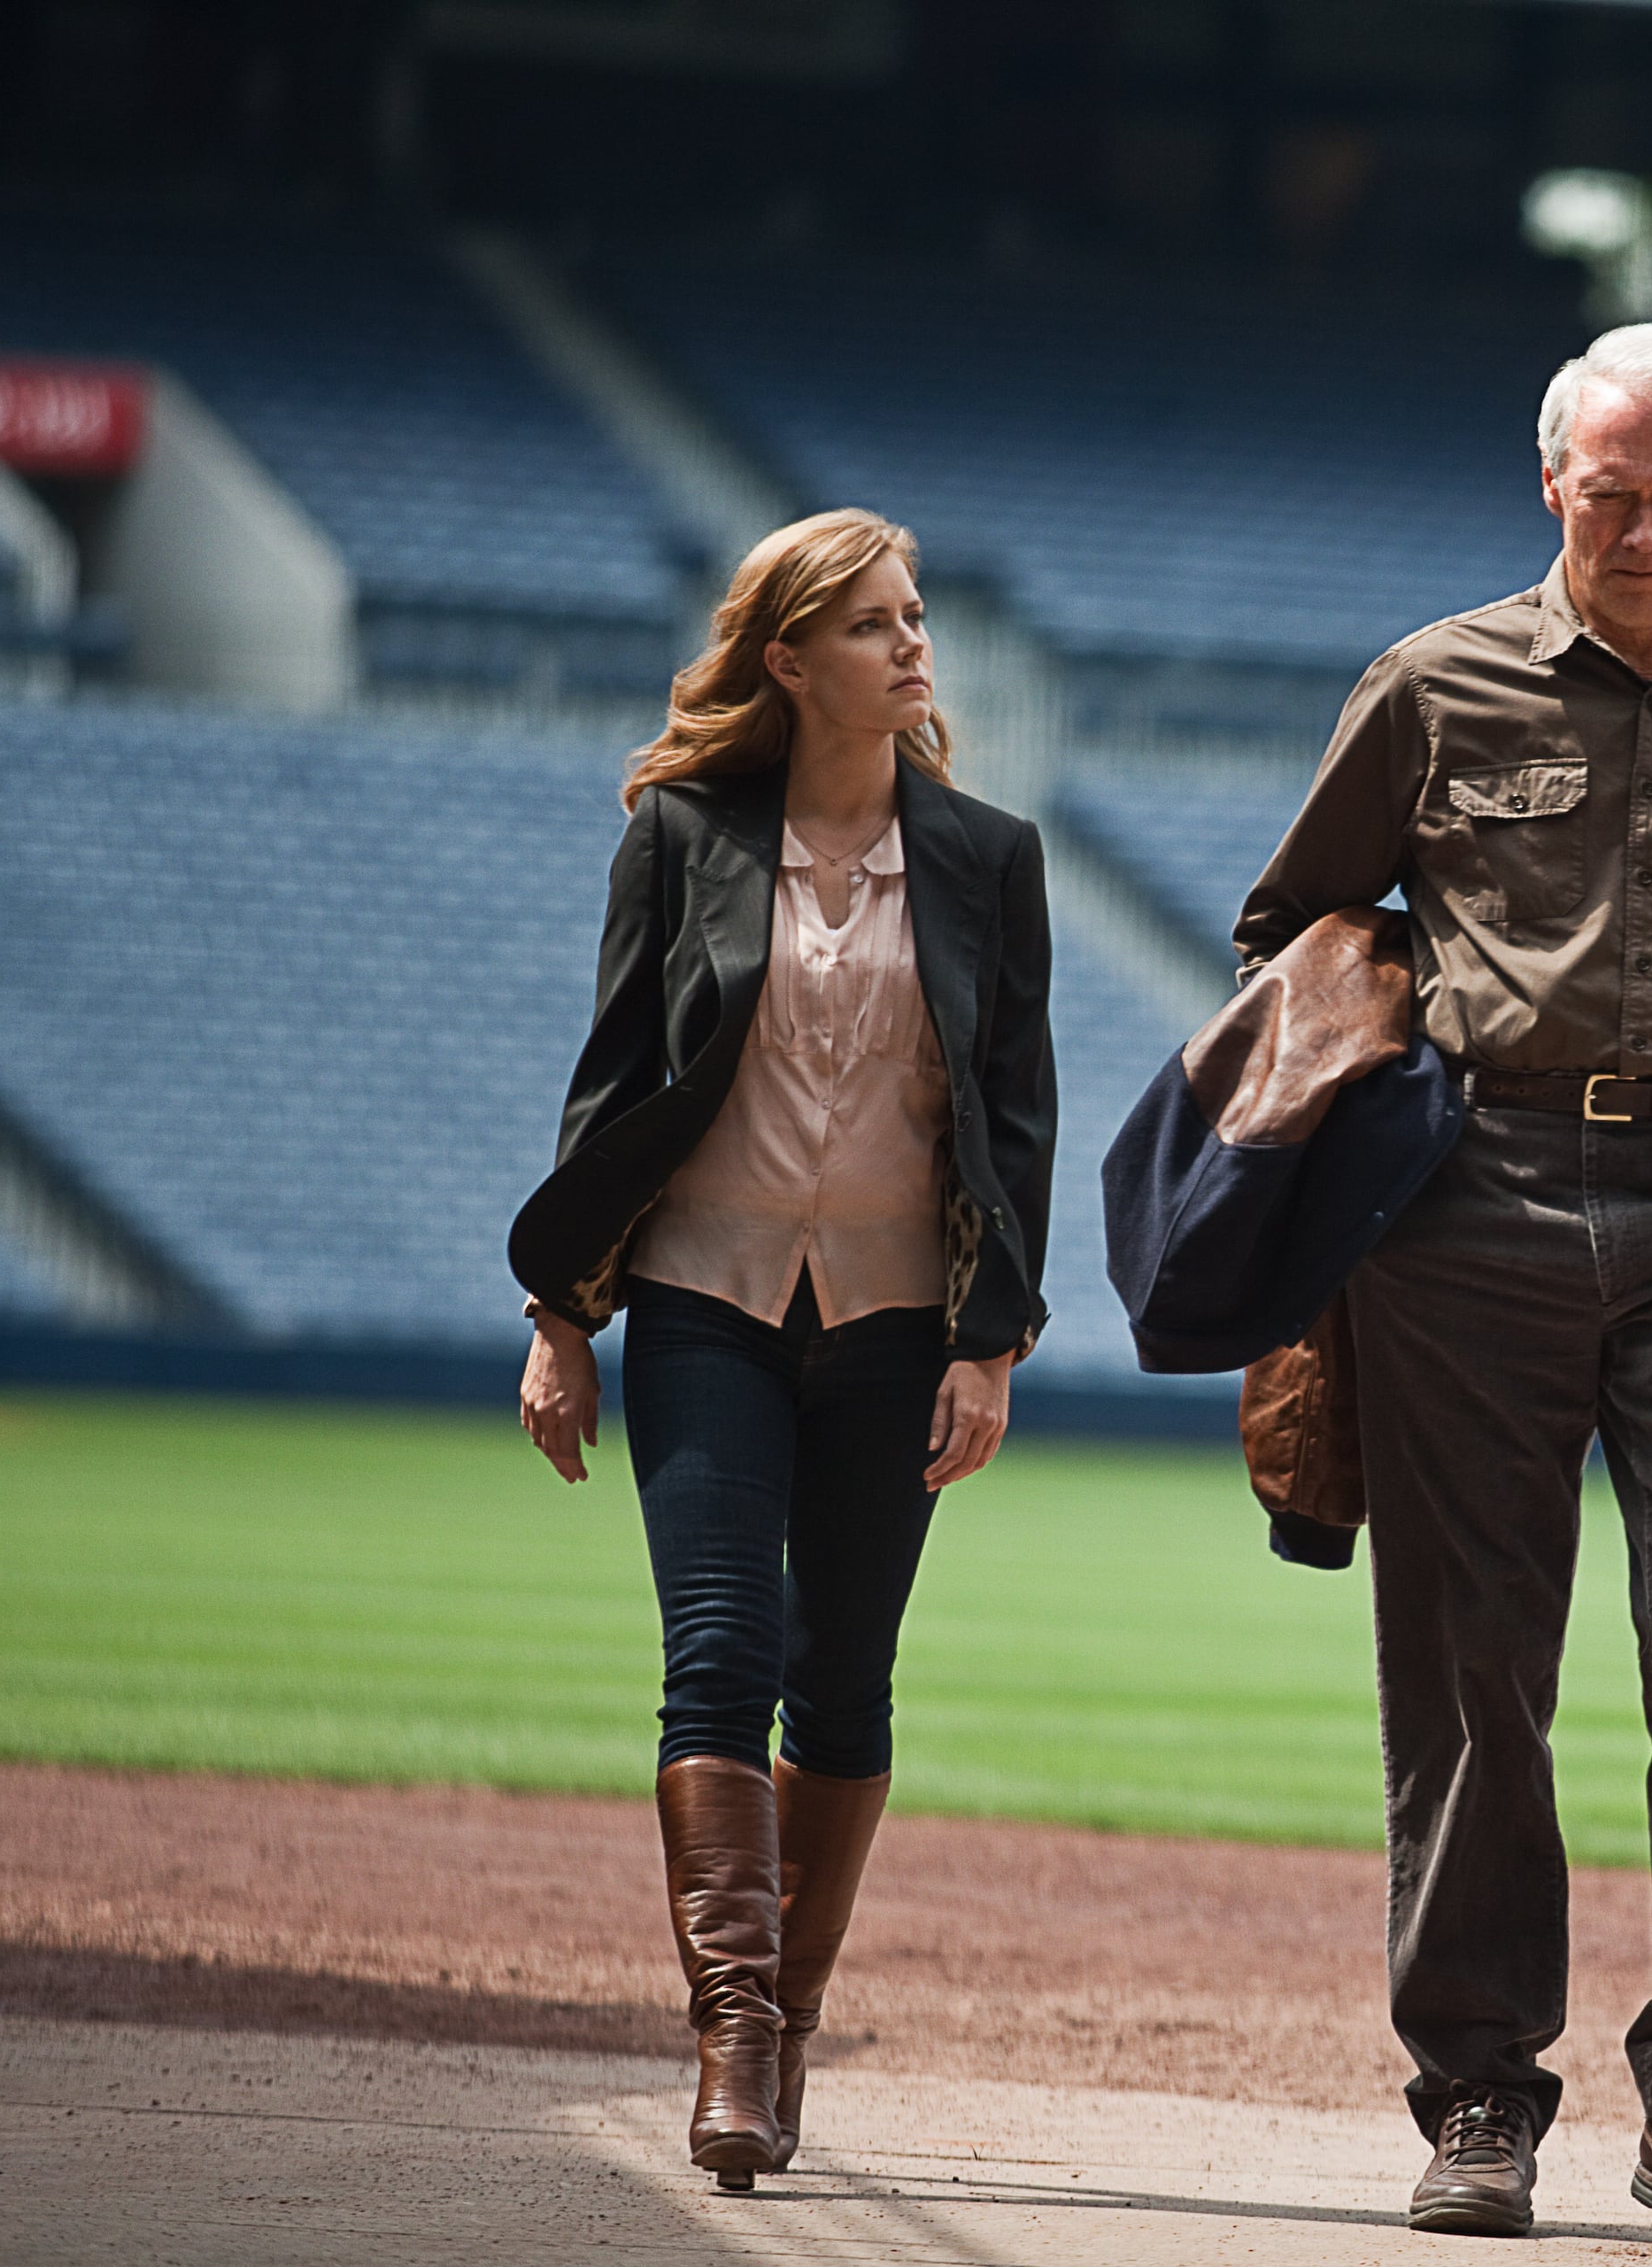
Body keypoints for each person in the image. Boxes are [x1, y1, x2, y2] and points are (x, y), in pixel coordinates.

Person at [1234, 323, 1652, 2245]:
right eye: (1608, 490)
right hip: (1477, 1203)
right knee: (1467, 1666)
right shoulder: (1433, 684)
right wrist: (1366, 1143)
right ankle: (1477, 2094)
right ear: (1554, 484)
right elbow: (1294, 922)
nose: (1639, 523)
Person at [507, 507, 1056, 2193]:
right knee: (721, 1658)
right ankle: (735, 2036)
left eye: (916, 622)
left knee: (847, 1682)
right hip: (703, 1300)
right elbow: (614, 1089)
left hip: (898, 1321)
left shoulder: (988, 858)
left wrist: (992, 1344)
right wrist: (560, 1320)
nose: (914, 649)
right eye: (877, 624)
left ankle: (791, 2019)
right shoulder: (680, 833)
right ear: (791, 657)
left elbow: (1013, 1124)